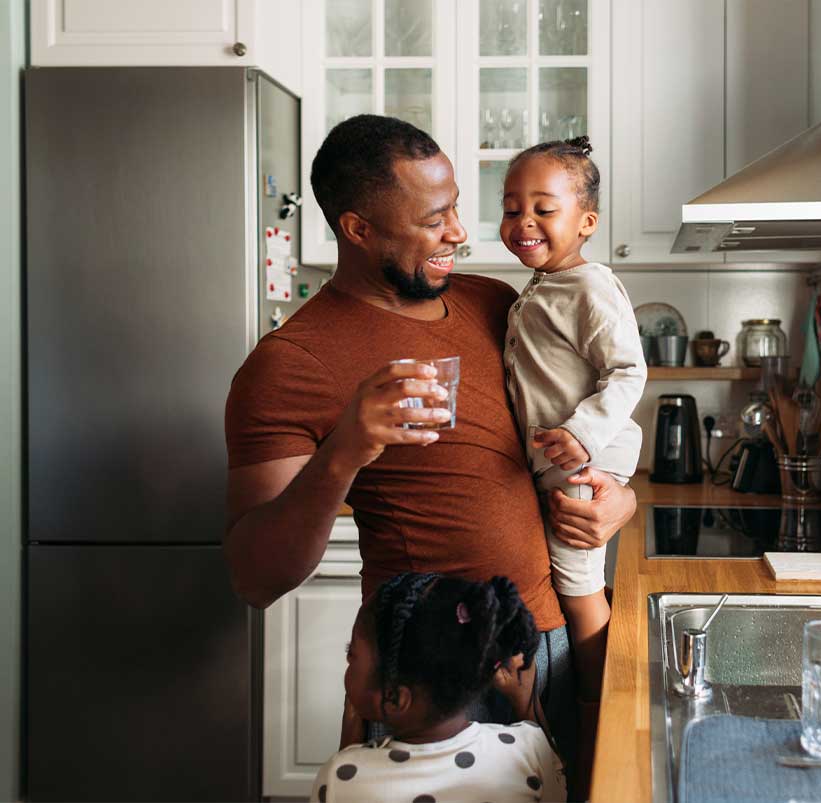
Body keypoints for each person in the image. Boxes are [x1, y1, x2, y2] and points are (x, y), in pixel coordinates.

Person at [222, 115, 637, 782]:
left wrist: (621, 498)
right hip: (433, 680)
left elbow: (581, 423)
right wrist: (345, 450)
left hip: (543, 649)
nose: (459, 234)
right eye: (434, 218)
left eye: (457, 209)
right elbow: (254, 575)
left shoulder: (499, 304)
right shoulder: (289, 364)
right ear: (358, 228)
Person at [499, 137, 646, 704]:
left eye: (544, 208)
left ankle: (601, 704)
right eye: (513, 209)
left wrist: (582, 435)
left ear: (587, 222)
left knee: (577, 584)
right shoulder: (539, 288)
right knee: (566, 579)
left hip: (586, 463)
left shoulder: (590, 284)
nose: (524, 221)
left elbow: (628, 372)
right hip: (556, 463)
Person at [311, 572, 566, 803]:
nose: (347, 663)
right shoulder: (527, 752)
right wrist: (525, 705)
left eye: (350, 655)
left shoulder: (342, 777)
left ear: (398, 698)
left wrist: (351, 722)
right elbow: (560, 789)